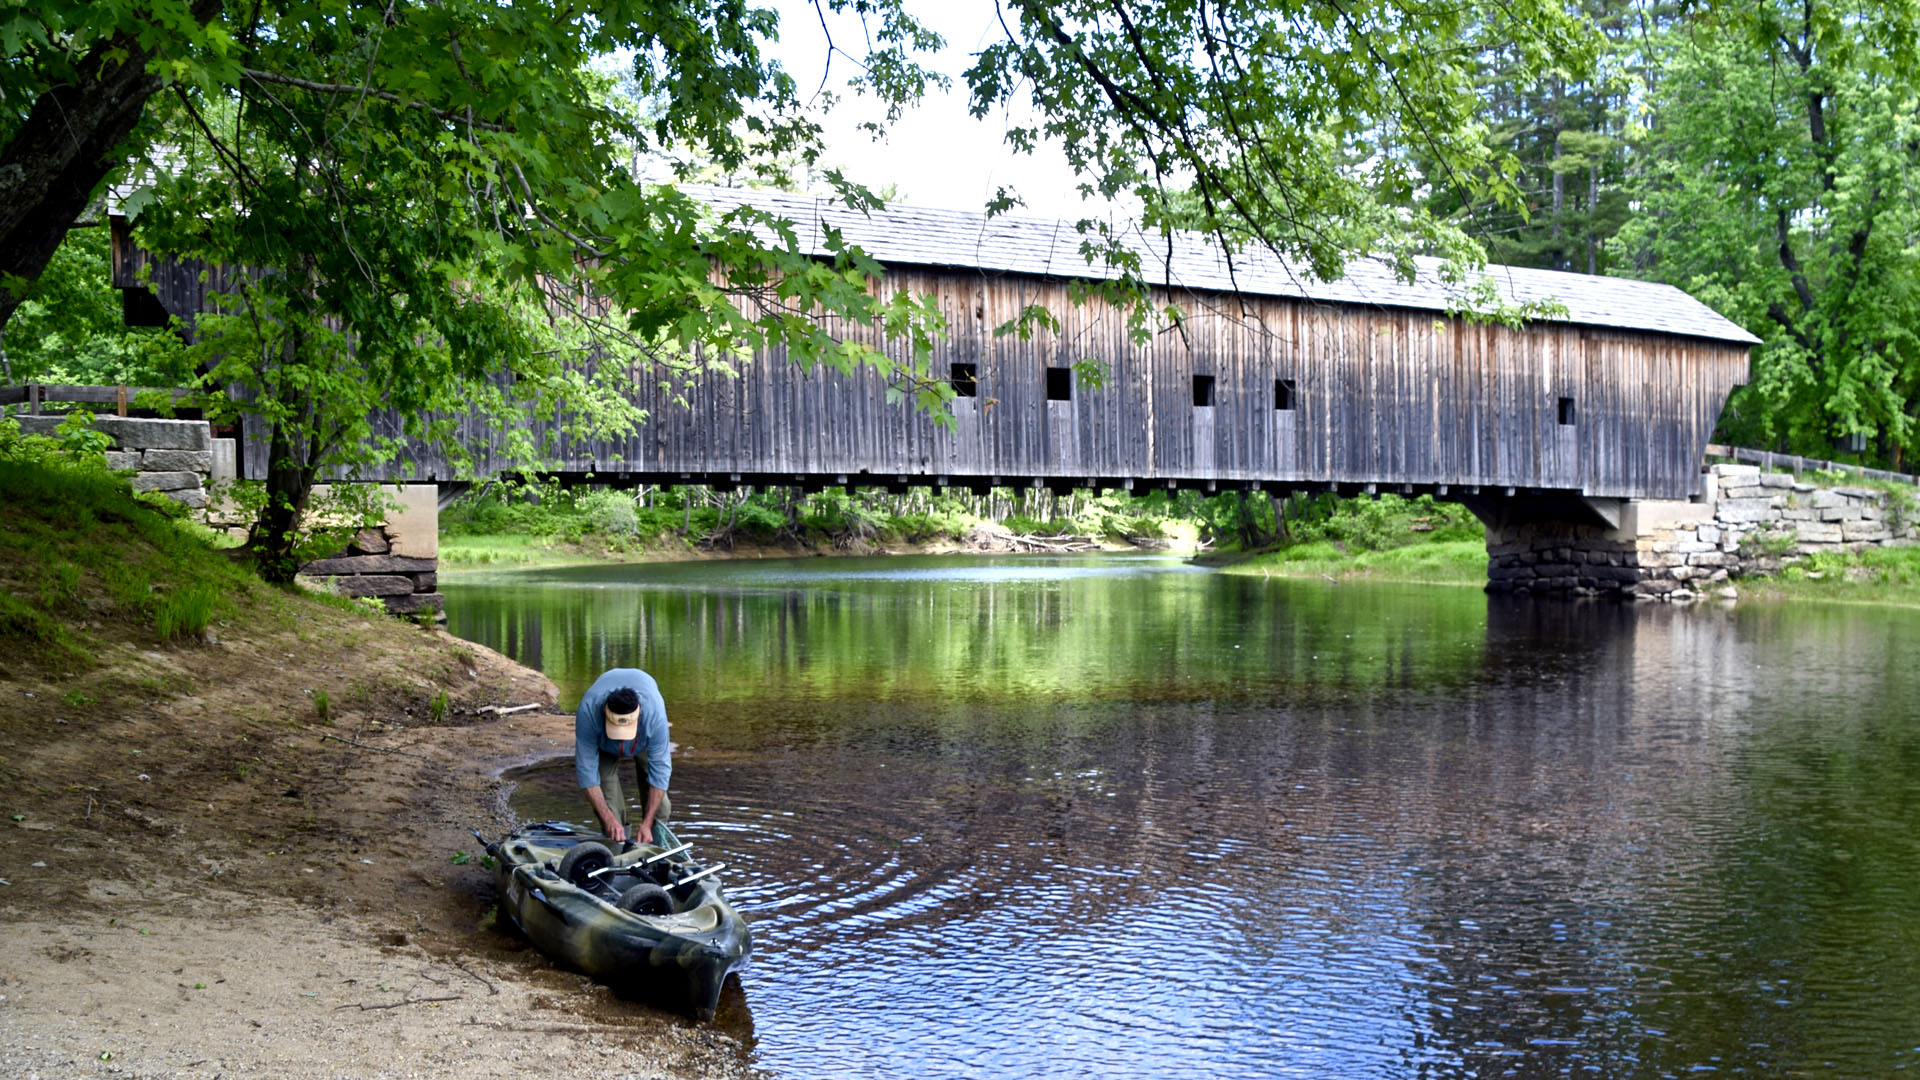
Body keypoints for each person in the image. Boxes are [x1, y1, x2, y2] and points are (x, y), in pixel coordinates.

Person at [574, 668, 671, 845]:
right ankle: (617, 848)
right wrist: (609, 818)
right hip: (604, 743)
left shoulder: (654, 717)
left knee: (661, 808)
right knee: (609, 811)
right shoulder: (588, 712)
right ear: (604, 712)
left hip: (642, 741)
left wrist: (647, 824)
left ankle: (655, 849)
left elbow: (660, 775)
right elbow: (587, 775)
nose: (620, 738)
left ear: (638, 714)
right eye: (616, 731)